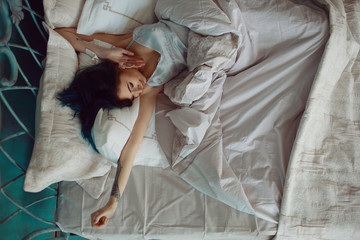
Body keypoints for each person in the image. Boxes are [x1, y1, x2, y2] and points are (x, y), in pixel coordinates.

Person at [55, 20, 189, 229]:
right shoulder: (149, 89)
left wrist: (104, 52)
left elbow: (60, 32)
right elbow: (131, 148)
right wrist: (112, 202)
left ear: (119, 69)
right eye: (132, 94)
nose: (138, 89)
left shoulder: (126, 45)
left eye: (131, 85)